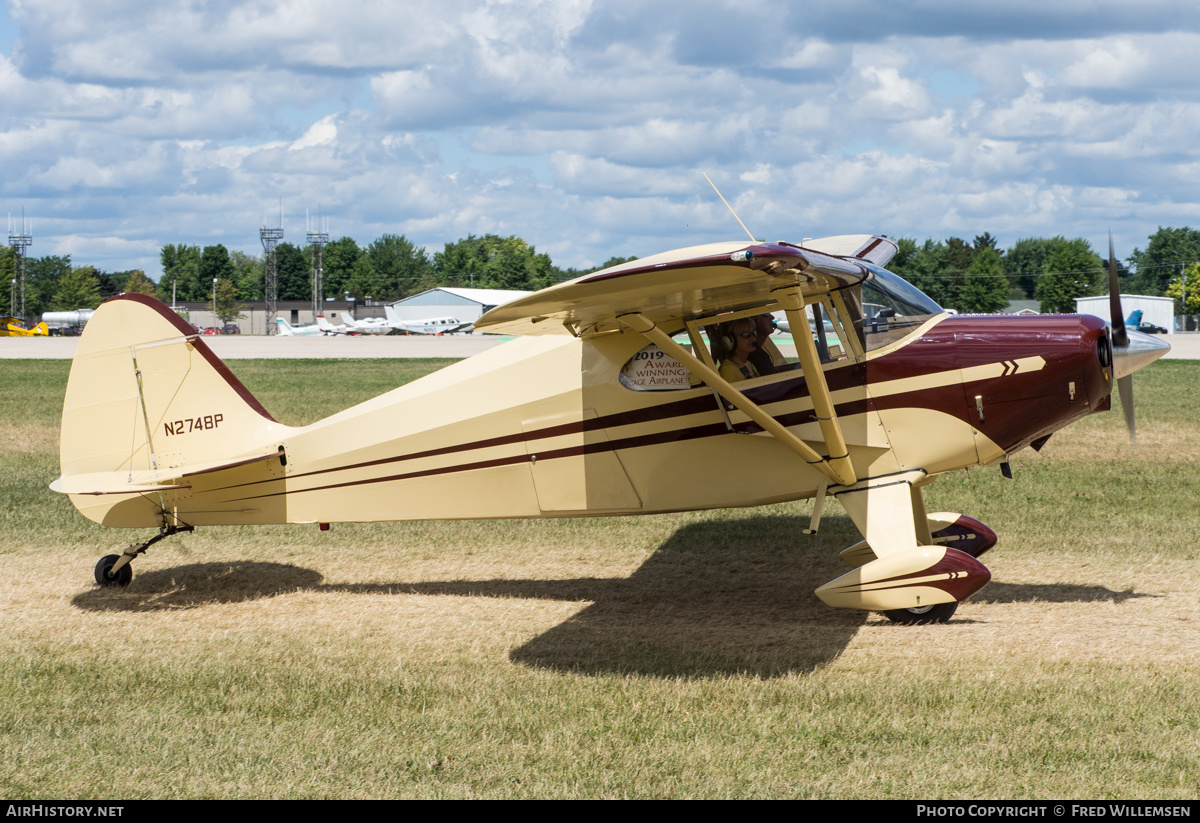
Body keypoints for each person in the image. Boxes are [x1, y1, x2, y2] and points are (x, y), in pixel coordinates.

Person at [710, 317, 760, 383]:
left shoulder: (748, 364)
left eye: (754, 333)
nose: (753, 339)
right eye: (746, 335)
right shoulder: (728, 369)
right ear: (729, 340)